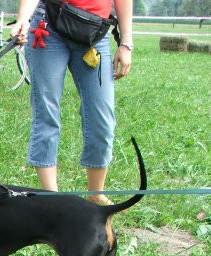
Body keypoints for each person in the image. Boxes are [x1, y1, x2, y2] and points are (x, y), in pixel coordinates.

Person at [10, 0, 133, 204]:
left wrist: (126, 42)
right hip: (48, 26)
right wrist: (22, 19)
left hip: (94, 33)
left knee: (101, 118)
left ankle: (96, 194)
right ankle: (54, 200)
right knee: (46, 115)